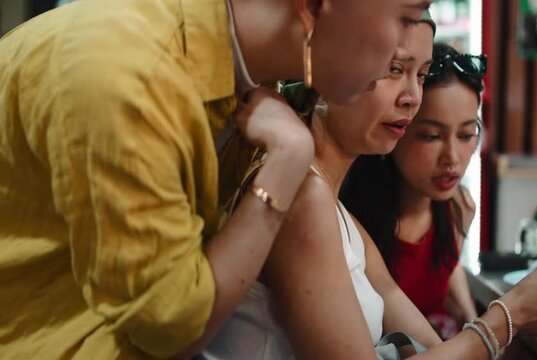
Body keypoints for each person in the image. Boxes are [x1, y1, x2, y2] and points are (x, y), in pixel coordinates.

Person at [0, 0, 434, 358]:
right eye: (406, 19)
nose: (402, 48)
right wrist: (287, 161)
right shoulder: (132, 74)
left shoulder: (238, 84)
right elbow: (172, 329)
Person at [204, 15, 537, 360]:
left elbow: (428, 339)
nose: (413, 98)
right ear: (330, 64)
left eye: (422, 74)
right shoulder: (305, 196)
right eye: (394, 69)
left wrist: (511, 321)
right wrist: (510, 315)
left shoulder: (332, 203)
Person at [341, 43, 484, 338]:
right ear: (396, 128)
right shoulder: (350, 222)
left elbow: (446, 266)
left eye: (467, 134)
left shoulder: (460, 207)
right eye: (431, 136)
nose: (453, 158)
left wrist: (471, 317)